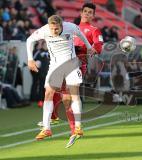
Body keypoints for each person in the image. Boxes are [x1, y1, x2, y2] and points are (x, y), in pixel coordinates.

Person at [26, 15, 94, 142]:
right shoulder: (45, 30)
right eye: (52, 29)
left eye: (56, 29)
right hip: (55, 66)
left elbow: (81, 34)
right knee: (48, 93)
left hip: (71, 64)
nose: (54, 31)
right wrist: (30, 59)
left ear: (62, 25)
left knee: (74, 95)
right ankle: (46, 129)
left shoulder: (71, 27)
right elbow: (29, 40)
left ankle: (78, 127)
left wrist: (89, 47)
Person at [52, 3, 103, 148]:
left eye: (90, 12)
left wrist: (83, 49)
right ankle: (74, 130)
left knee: (70, 95)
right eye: (85, 11)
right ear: (81, 13)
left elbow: (97, 48)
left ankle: (75, 128)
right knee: (66, 99)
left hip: (79, 64)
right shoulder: (70, 28)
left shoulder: (94, 30)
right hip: (64, 63)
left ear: (93, 16)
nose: (87, 14)